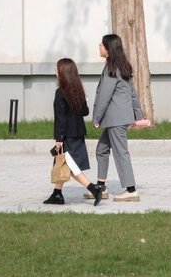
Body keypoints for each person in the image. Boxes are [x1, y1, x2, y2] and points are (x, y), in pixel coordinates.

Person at [90, 33, 151, 204]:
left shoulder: (111, 69)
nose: (99, 47)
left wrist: (96, 118)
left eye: (101, 45)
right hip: (118, 118)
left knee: (120, 153)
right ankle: (101, 187)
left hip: (115, 119)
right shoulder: (122, 66)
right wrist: (137, 115)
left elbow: (104, 96)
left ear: (109, 50)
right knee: (101, 150)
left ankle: (131, 190)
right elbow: (133, 93)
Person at [45, 57, 98, 206]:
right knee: (63, 164)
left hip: (67, 135)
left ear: (63, 73)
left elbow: (61, 118)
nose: (55, 71)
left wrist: (59, 139)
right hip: (78, 134)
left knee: (70, 166)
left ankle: (94, 189)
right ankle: (57, 194)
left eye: (57, 69)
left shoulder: (60, 93)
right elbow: (85, 112)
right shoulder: (78, 90)